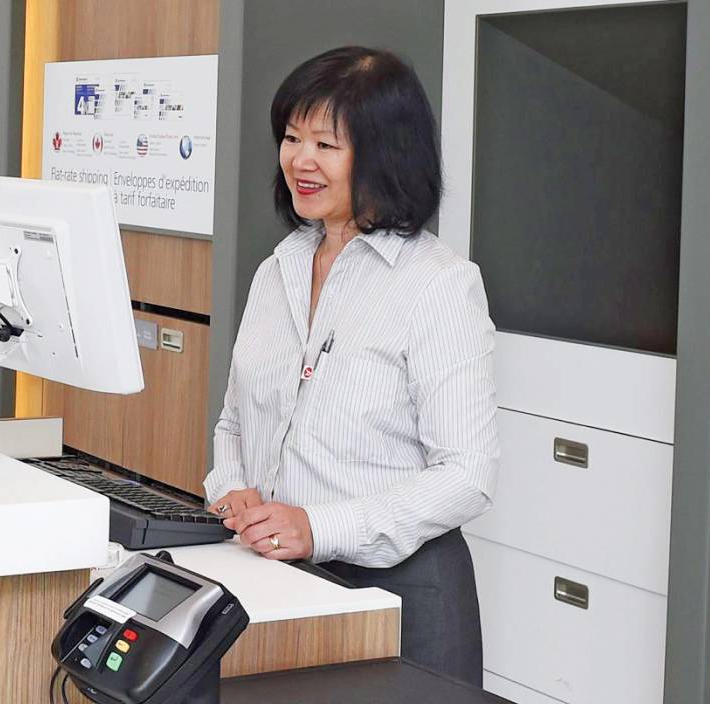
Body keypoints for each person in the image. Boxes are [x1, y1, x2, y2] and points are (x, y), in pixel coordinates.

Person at [202, 46, 499, 685]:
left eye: (326, 144)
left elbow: (468, 473)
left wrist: (321, 526)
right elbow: (233, 420)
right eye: (290, 137)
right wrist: (230, 487)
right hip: (277, 582)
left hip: (400, 597)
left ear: (384, 154)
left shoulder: (439, 284)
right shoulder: (275, 269)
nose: (299, 161)